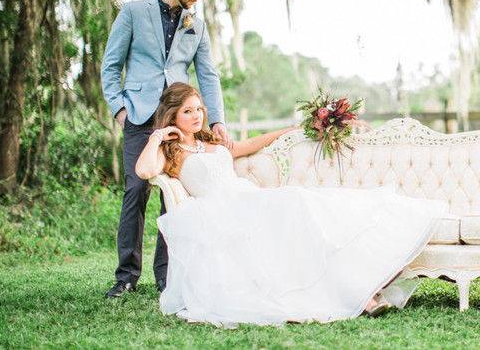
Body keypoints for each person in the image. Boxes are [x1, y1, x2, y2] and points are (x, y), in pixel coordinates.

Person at [135, 83, 447, 326]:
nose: (197, 116)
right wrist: (156, 137)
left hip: (245, 199)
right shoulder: (170, 150)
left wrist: (295, 130)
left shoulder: (214, 143)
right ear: (173, 114)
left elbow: (253, 144)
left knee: (301, 206)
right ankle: (360, 296)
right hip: (220, 212)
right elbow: (145, 171)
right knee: (294, 203)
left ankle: (362, 291)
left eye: (199, 109)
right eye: (188, 111)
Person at [100, 0, 231, 298]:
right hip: (139, 117)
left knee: (175, 197)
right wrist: (119, 110)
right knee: (136, 191)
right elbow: (110, 66)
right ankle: (126, 276)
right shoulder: (132, 12)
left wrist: (216, 119)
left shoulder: (197, 24)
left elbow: (208, 74)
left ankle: (166, 275)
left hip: (178, 121)